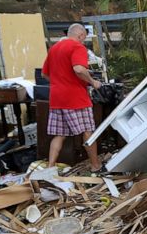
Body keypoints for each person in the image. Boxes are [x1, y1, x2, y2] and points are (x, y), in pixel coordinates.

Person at [41, 23, 103, 171]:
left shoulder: (54, 48)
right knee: (87, 131)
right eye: (84, 38)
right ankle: (95, 165)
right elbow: (79, 69)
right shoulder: (77, 47)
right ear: (80, 35)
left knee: (59, 134)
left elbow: (44, 74)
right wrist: (93, 82)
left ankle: (50, 167)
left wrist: (59, 82)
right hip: (75, 98)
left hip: (56, 98)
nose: (84, 41)